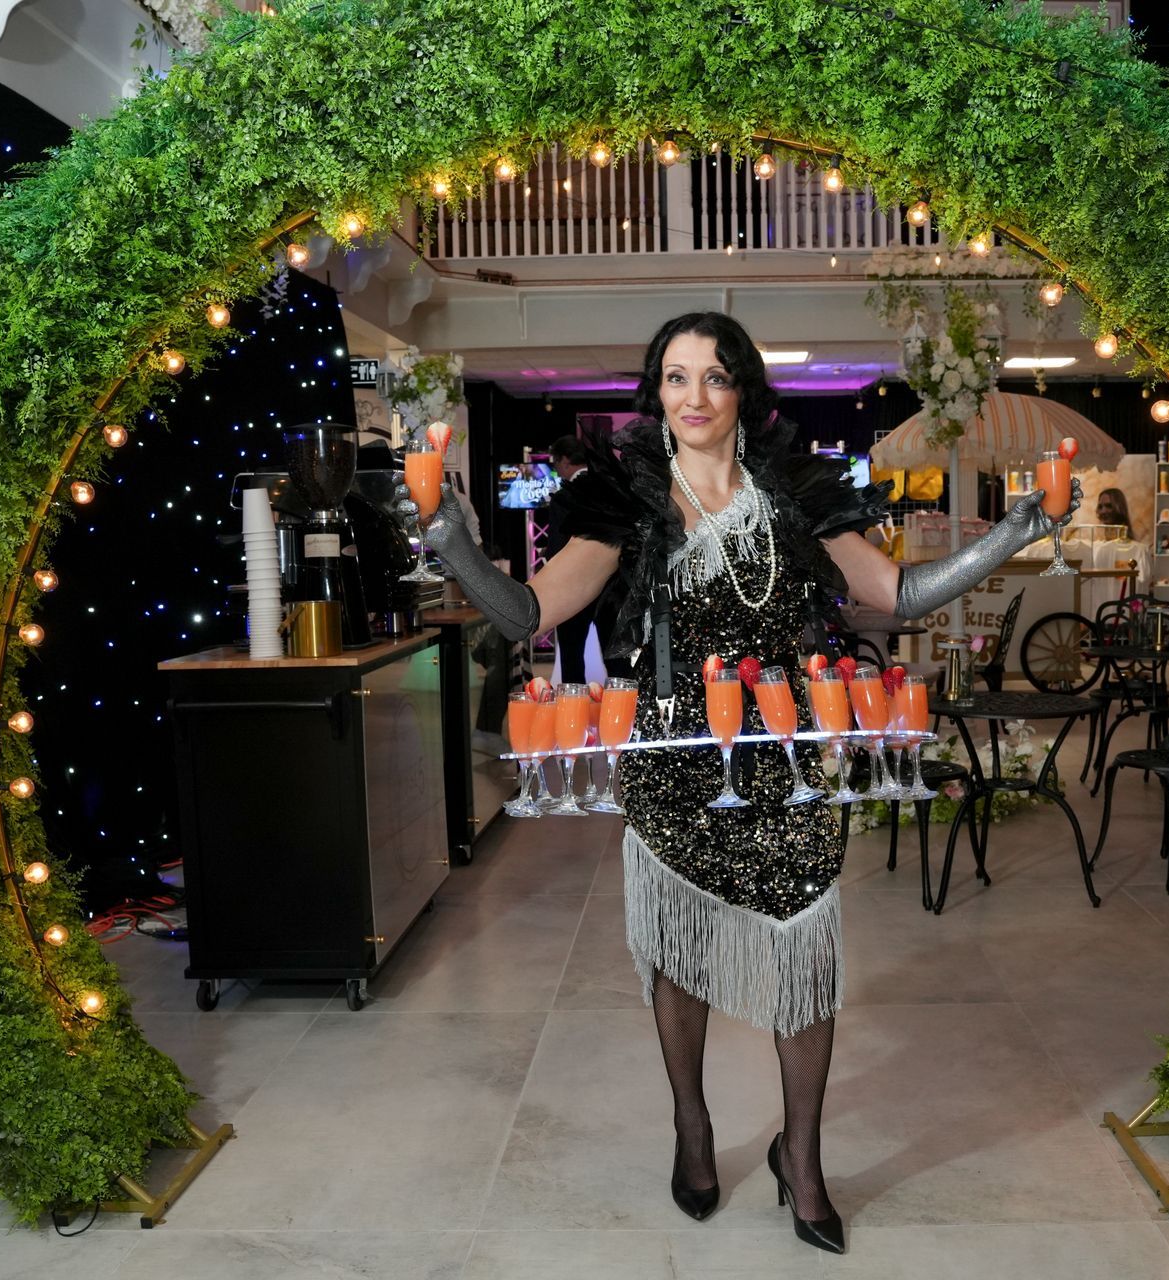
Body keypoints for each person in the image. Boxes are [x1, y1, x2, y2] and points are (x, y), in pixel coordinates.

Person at [418, 312, 1077, 1255]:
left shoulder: (794, 491)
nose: (694, 397)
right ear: (656, 391)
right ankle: (692, 1127)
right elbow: (527, 612)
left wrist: (1013, 532)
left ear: (743, 391)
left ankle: (800, 1156)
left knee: (806, 952)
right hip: (671, 757)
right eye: (676, 377)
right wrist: (450, 540)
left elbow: (895, 594)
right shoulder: (626, 495)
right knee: (679, 952)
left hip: (786, 756)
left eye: (715, 377)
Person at [540, 435, 596, 683]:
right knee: (617, 660)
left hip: (574, 589)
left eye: (556, 464)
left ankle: (576, 706)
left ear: (564, 460)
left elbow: (558, 547)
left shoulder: (565, 497)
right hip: (612, 589)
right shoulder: (609, 488)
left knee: (572, 658)